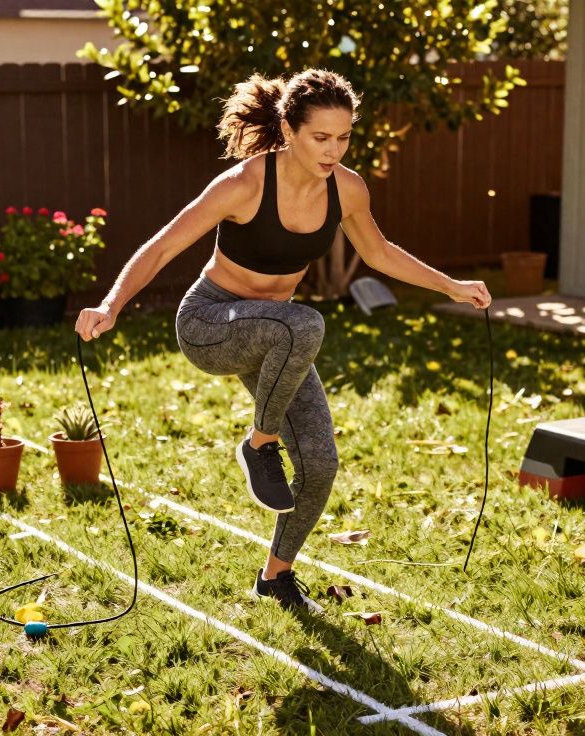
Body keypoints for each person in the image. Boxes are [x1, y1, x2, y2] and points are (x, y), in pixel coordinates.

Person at [75, 68, 491, 613]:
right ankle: (259, 444)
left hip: (277, 339)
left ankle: (276, 575)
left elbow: (381, 253)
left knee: (320, 462)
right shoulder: (244, 184)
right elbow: (161, 246)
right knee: (306, 325)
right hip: (210, 325)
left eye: (343, 137)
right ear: (290, 130)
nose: (333, 149)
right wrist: (111, 304)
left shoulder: (347, 189)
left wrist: (451, 286)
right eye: (321, 137)